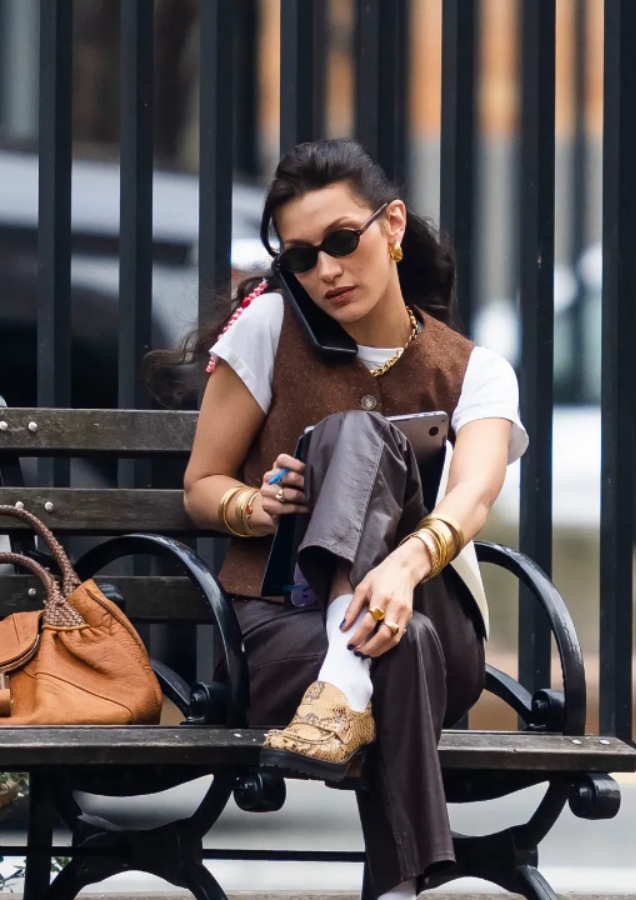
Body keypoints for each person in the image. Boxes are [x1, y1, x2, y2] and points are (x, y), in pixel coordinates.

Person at [150, 139, 527, 900]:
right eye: (300, 257)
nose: (325, 269)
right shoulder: (265, 330)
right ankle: (400, 885)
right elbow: (201, 487)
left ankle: (346, 673)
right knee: (397, 642)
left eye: (342, 241)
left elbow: (474, 496)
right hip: (279, 630)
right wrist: (254, 506)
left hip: (431, 611)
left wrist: (402, 566)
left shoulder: (474, 369)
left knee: (364, 447)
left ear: (391, 227)